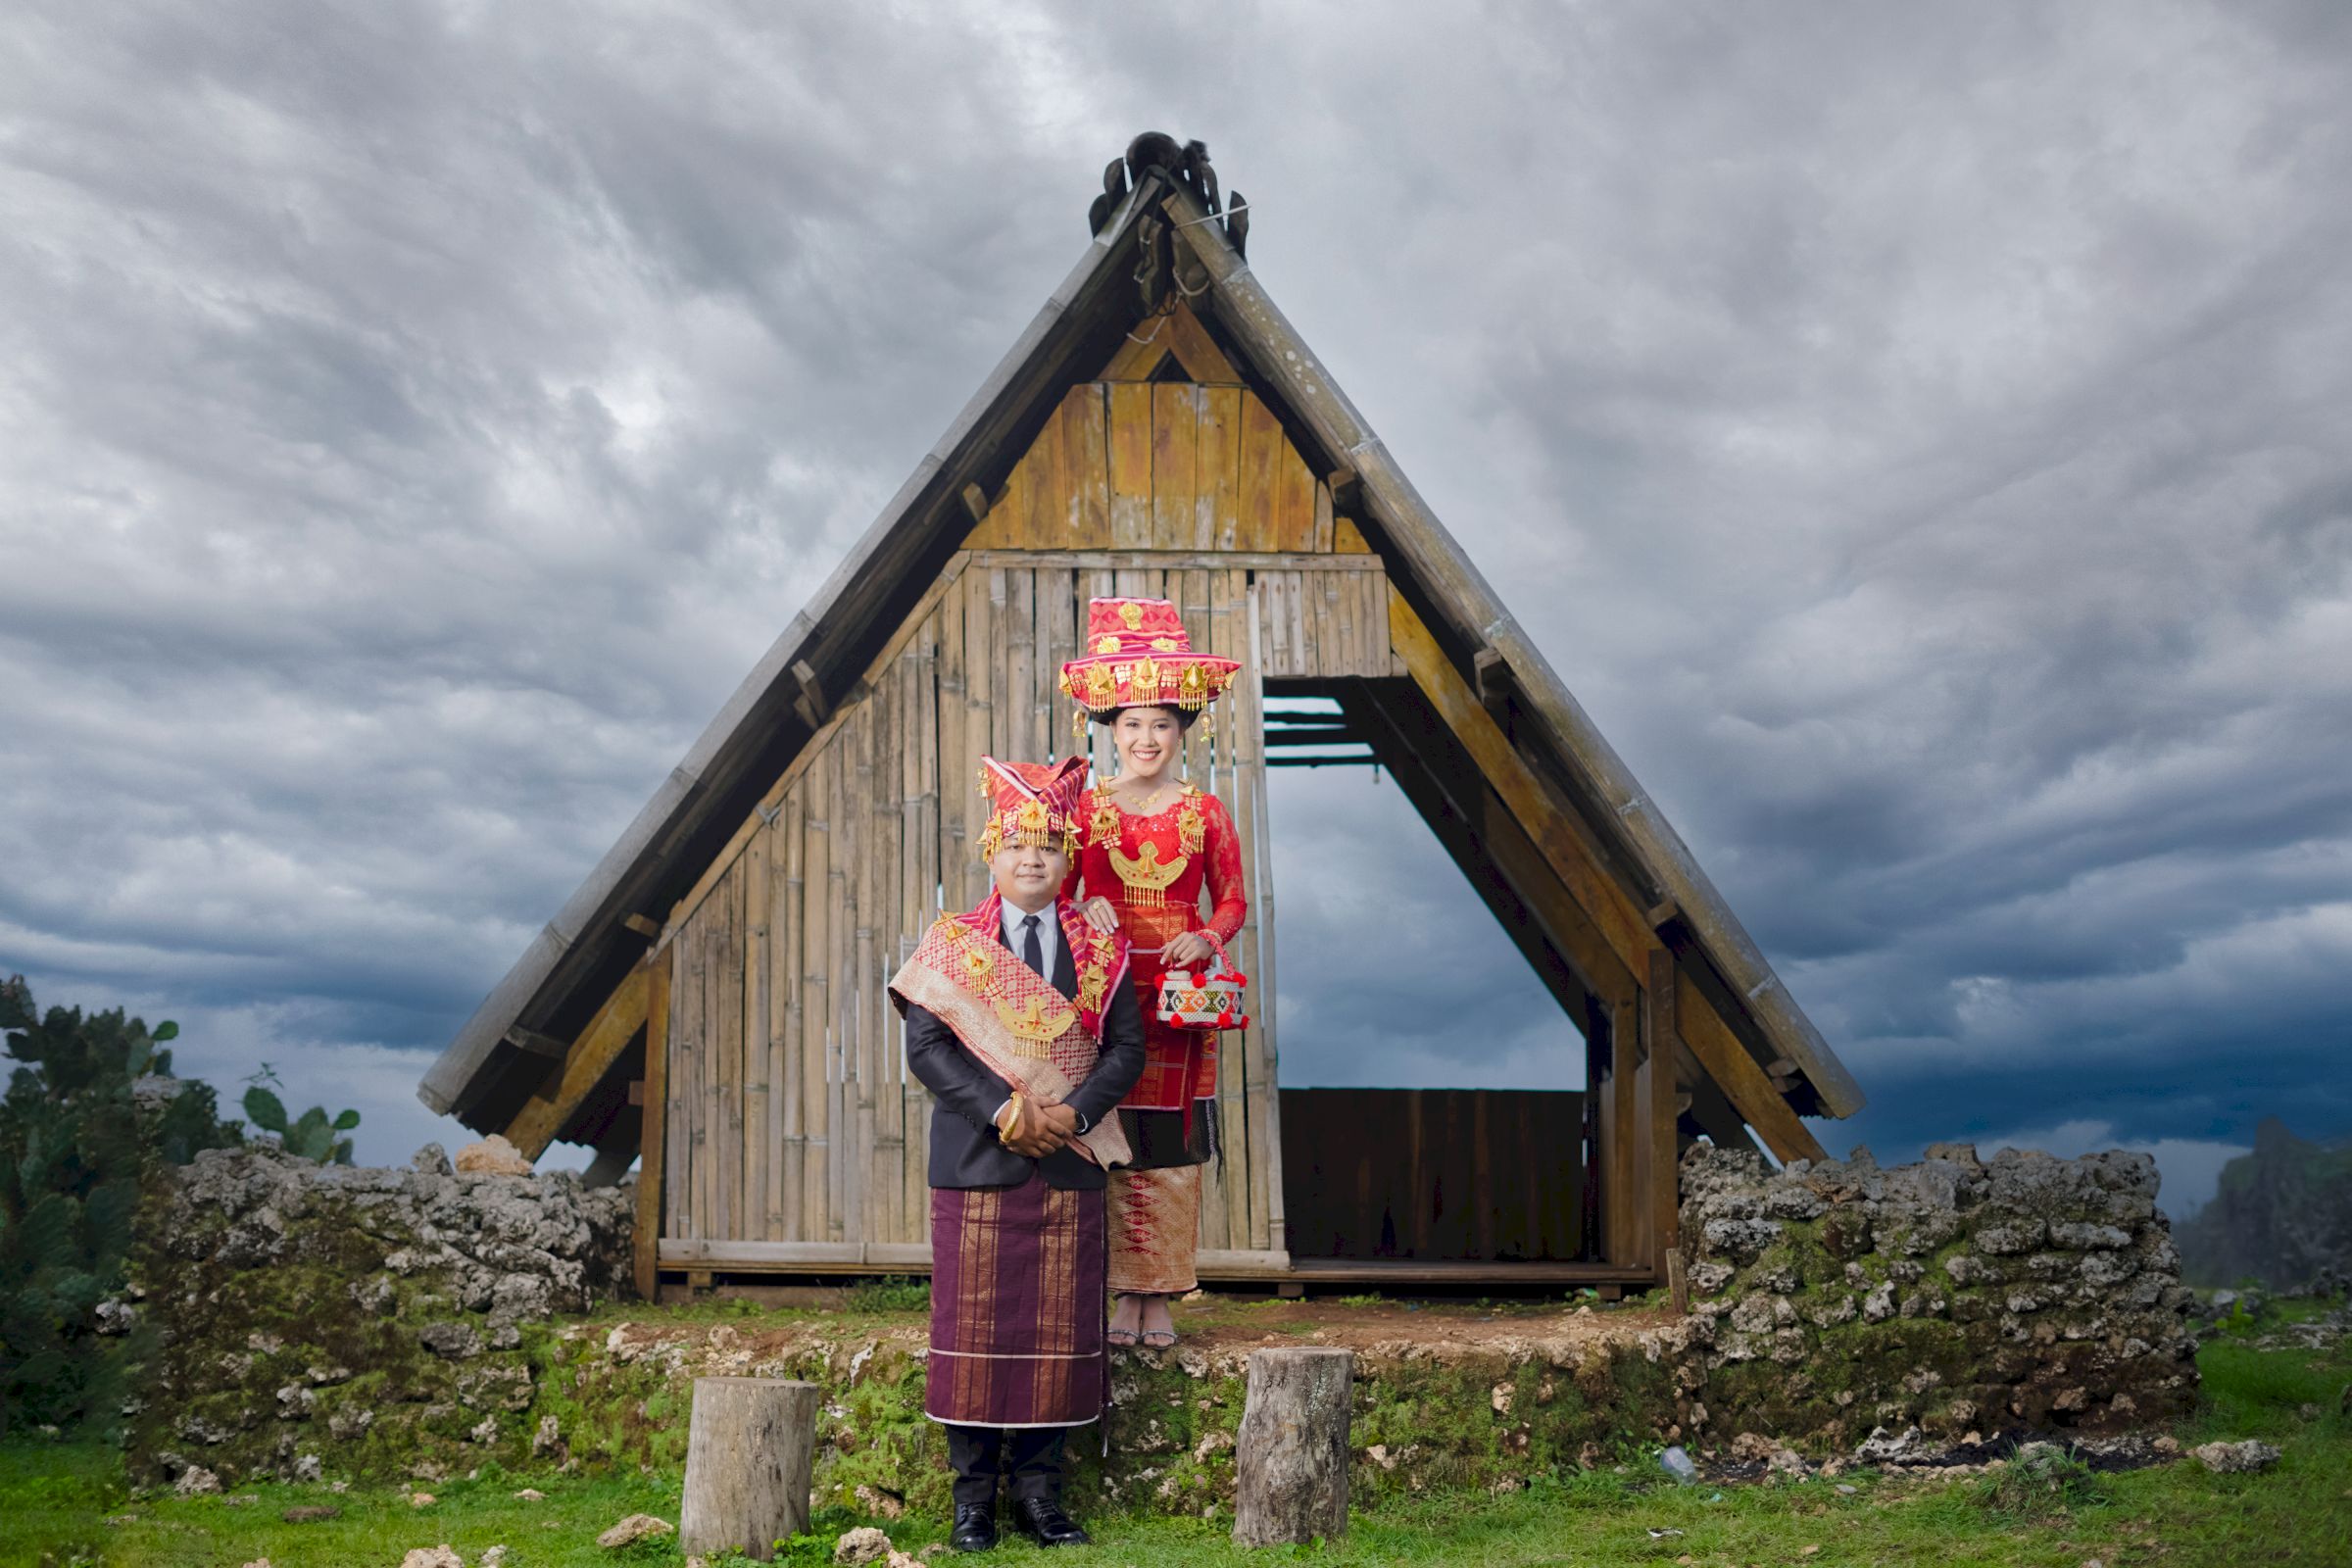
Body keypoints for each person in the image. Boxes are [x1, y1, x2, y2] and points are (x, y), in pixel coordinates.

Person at [892, 754, 1147, 1552]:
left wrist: (1071, 1113)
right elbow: (928, 1048)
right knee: (973, 1332)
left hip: (1070, 1159)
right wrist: (1005, 1110)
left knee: (1057, 1335)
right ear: (991, 853)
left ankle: (1042, 1497)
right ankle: (972, 1501)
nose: (1031, 859)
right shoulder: (952, 945)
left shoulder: (1101, 949)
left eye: (1047, 847)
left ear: (1067, 859)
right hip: (976, 1161)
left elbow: (1126, 1050)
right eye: (1016, 845)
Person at [1055, 596, 1246, 1350]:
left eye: (1161, 725)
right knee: (1106, 1136)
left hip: (1179, 1000)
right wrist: (1082, 908)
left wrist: (1206, 935)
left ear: (1182, 730)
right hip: (1104, 997)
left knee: (1171, 1144)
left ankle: (1158, 1294)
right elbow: (1055, 896)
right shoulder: (1085, 812)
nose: (1146, 739)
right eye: (1132, 724)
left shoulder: (1207, 812)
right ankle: (1115, 1292)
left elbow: (1233, 900)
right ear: (1109, 728)